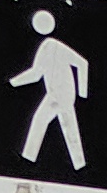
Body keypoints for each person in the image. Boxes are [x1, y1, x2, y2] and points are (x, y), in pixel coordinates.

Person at [10, 10, 92, 171]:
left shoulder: (53, 45)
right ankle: (79, 165)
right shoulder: (46, 48)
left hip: (62, 95)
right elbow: (36, 74)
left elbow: (82, 63)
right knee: (67, 129)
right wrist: (14, 82)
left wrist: (83, 92)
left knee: (46, 122)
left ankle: (28, 159)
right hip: (57, 95)